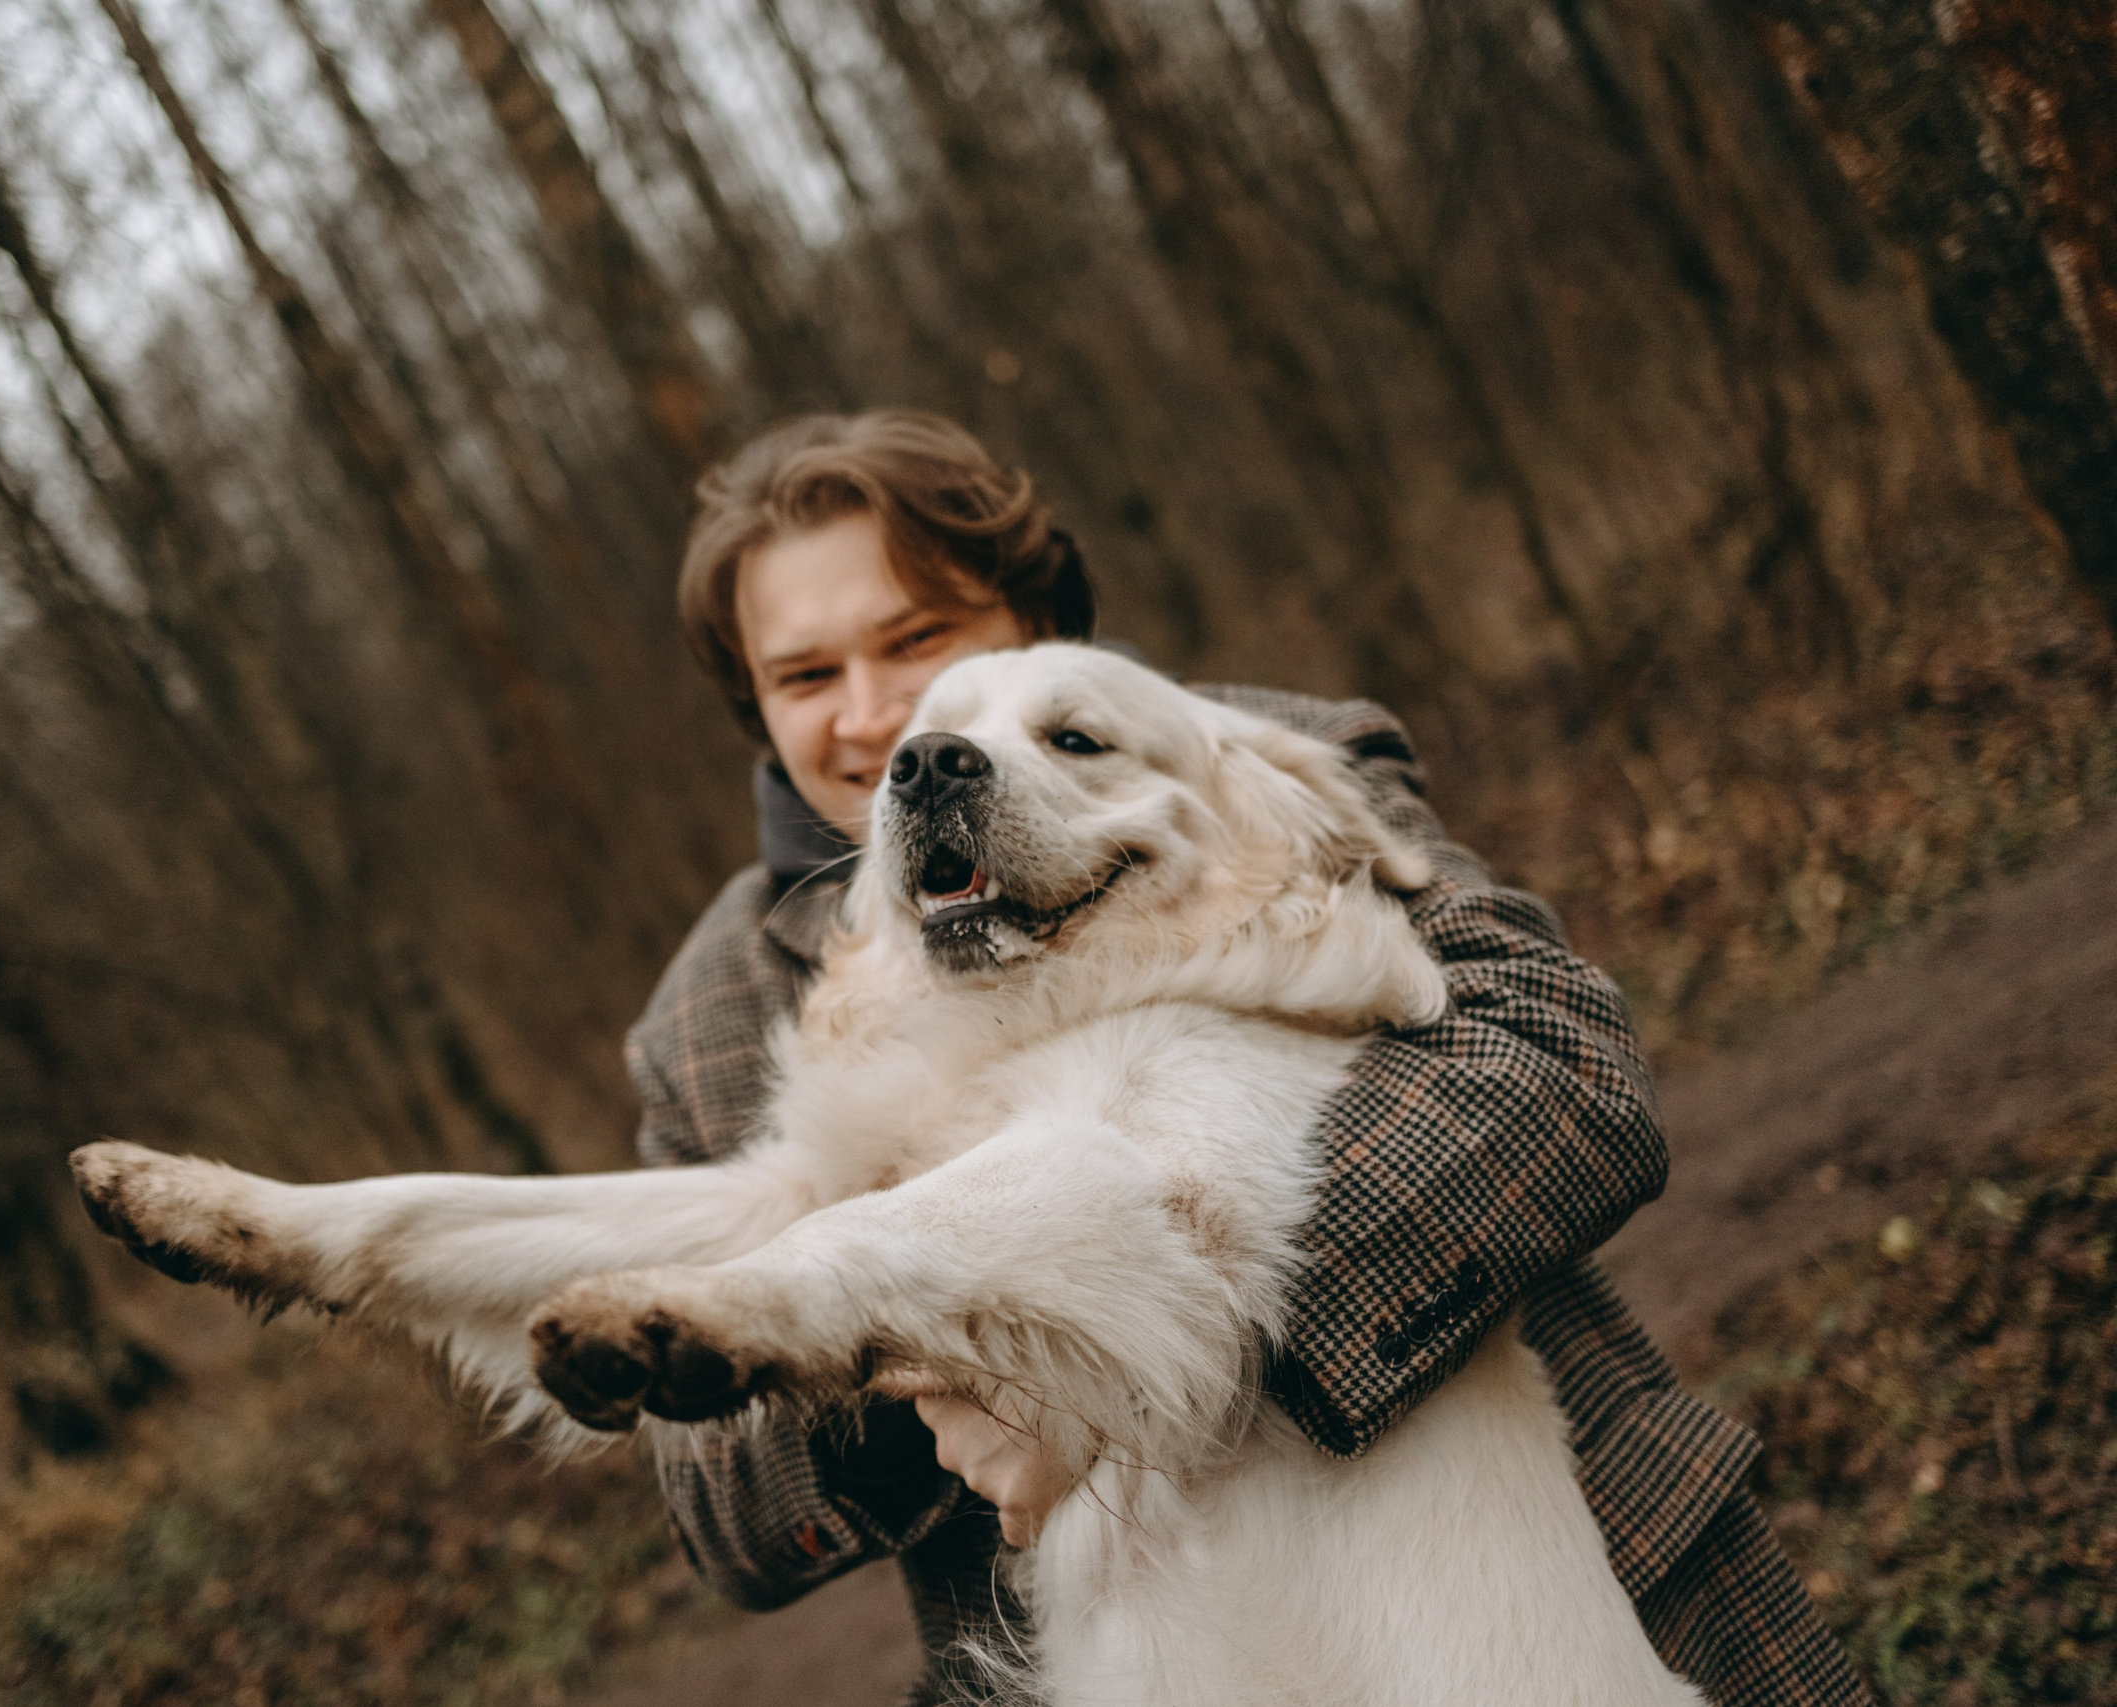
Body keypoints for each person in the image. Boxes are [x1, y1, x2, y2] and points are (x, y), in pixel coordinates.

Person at [626, 410, 1870, 1705]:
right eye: (807, 677)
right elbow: (724, 1511)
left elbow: (1561, 1071)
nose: (878, 717)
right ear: (757, 712)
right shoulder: (705, 1017)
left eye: (918, 638)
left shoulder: (1259, 763)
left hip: (1562, 1613)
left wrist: (1168, 1325)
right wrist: (955, 1358)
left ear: (1032, 612)